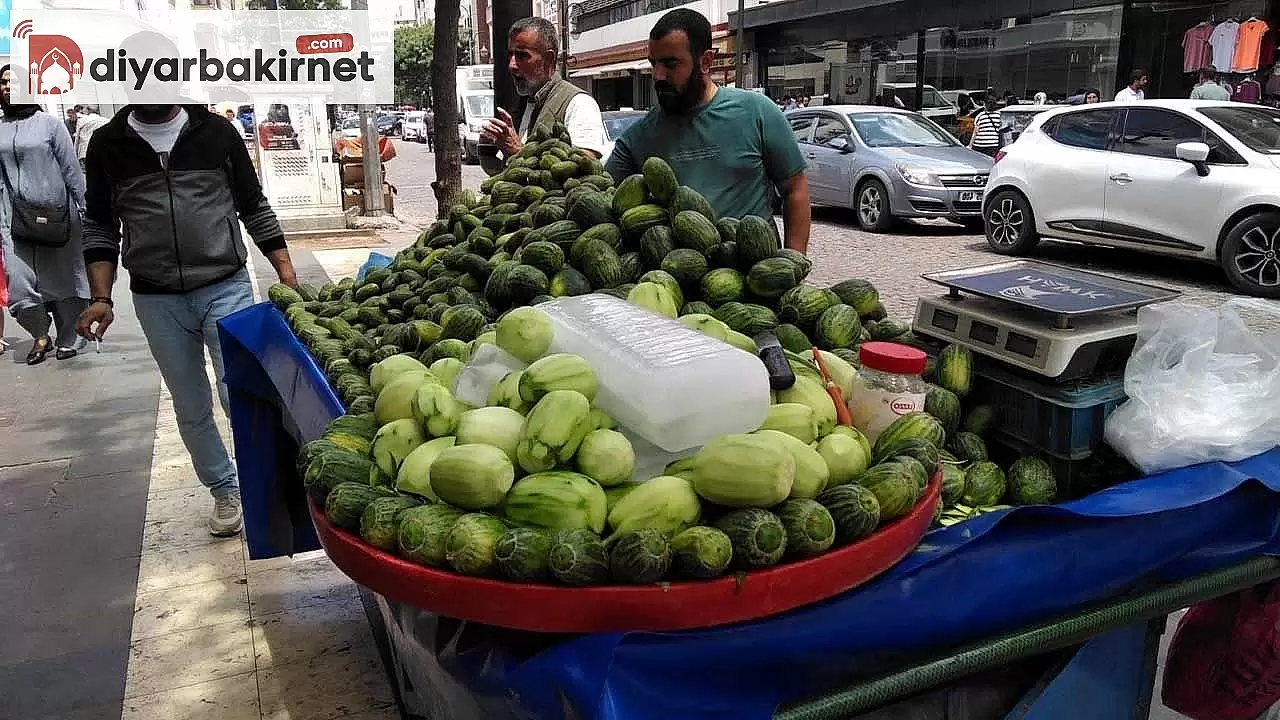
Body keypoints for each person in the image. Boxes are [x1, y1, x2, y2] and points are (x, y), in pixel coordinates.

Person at [77, 100, 298, 537]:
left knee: (240, 391)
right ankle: (224, 488)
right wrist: (101, 297)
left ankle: (267, 482)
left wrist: (286, 273)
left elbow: (252, 204)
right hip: (157, 298)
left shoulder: (215, 132)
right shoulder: (108, 143)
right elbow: (101, 225)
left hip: (225, 283)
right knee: (191, 404)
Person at [605, 9, 811, 253]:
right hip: (679, 278)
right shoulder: (638, 137)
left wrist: (793, 264)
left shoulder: (756, 112)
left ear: (705, 61)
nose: (658, 75)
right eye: (654, 63)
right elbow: (604, 199)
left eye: (671, 63)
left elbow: (795, 190)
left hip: (754, 275)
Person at [0, 65, 89, 364]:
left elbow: (71, 169)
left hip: (58, 216)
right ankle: (41, 334)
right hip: (13, 219)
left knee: (65, 279)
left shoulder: (49, 124)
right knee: (20, 284)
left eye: (15, 82)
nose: (8, 87)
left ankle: (70, 337)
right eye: (3, 82)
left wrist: (85, 209)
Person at [480, 16, 606, 170]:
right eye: (510, 55)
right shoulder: (522, 104)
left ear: (549, 58)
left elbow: (583, 174)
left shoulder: (578, 104)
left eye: (522, 55)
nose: (512, 65)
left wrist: (518, 153)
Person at [968, 88, 1003, 158]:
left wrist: (970, 145)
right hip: (993, 144)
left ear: (985, 104)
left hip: (979, 145)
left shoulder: (980, 115)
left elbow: (975, 131)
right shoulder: (1000, 115)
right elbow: (1001, 128)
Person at [72, 105, 109, 173]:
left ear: (87, 112)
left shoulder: (81, 120)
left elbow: (77, 140)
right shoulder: (105, 120)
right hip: (102, 151)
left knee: (89, 174)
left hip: (85, 152)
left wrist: (74, 155)